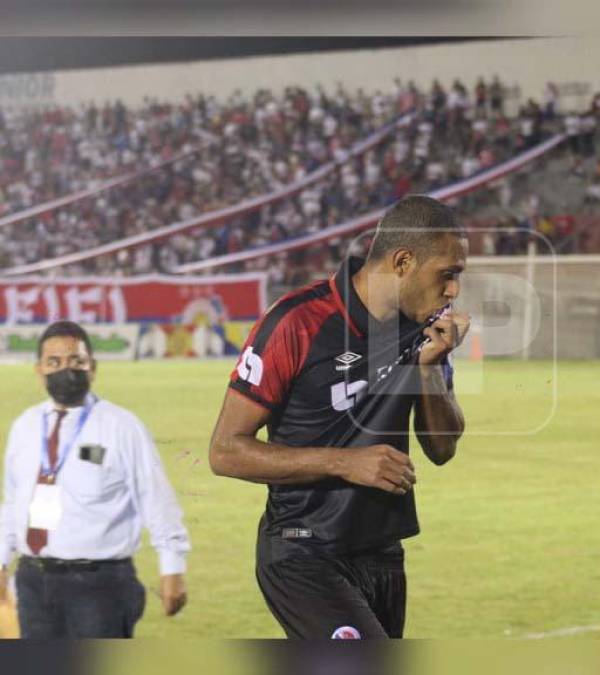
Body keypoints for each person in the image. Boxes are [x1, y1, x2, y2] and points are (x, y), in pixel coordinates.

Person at [209, 195, 469, 639]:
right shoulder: (298, 322)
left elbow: (443, 447)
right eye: (448, 274)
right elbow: (225, 451)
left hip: (381, 552)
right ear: (404, 261)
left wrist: (428, 368)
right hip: (303, 550)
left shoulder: (425, 328)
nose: (453, 291)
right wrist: (344, 461)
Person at [0, 321, 189, 638]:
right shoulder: (25, 427)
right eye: (55, 362)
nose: (66, 370)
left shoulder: (121, 427)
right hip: (34, 581)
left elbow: (155, 497)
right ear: (39, 370)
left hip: (100, 586)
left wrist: (172, 567)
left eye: (77, 361)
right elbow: (12, 500)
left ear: (93, 368)